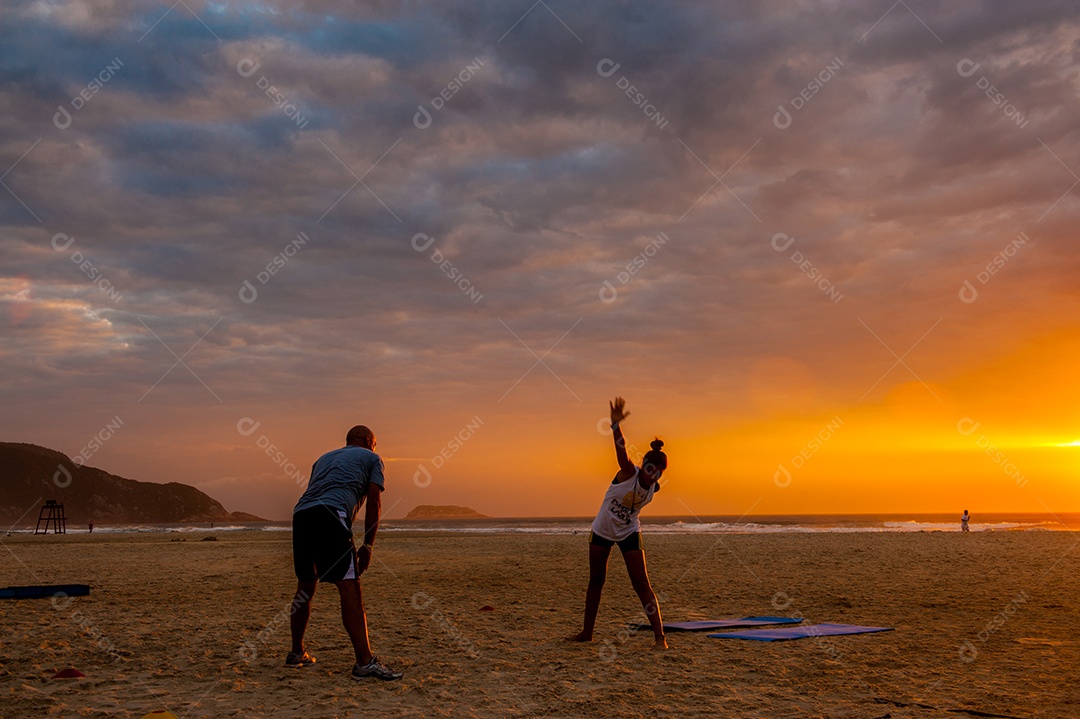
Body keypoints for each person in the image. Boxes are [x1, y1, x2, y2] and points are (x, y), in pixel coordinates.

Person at [286, 425, 403, 681]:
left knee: (306, 584)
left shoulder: (323, 459)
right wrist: (369, 546)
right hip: (332, 514)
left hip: (302, 514)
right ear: (368, 441)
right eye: (376, 443)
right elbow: (374, 501)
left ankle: (297, 652)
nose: (376, 448)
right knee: (349, 587)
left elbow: (317, 490)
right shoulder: (372, 458)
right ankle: (364, 662)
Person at [568, 397, 669, 650]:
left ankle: (660, 639)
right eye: (649, 468)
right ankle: (586, 633)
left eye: (657, 472)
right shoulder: (628, 472)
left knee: (641, 584)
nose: (651, 474)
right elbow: (621, 450)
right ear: (643, 466)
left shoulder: (653, 489)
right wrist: (615, 425)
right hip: (602, 530)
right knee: (596, 581)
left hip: (629, 533)